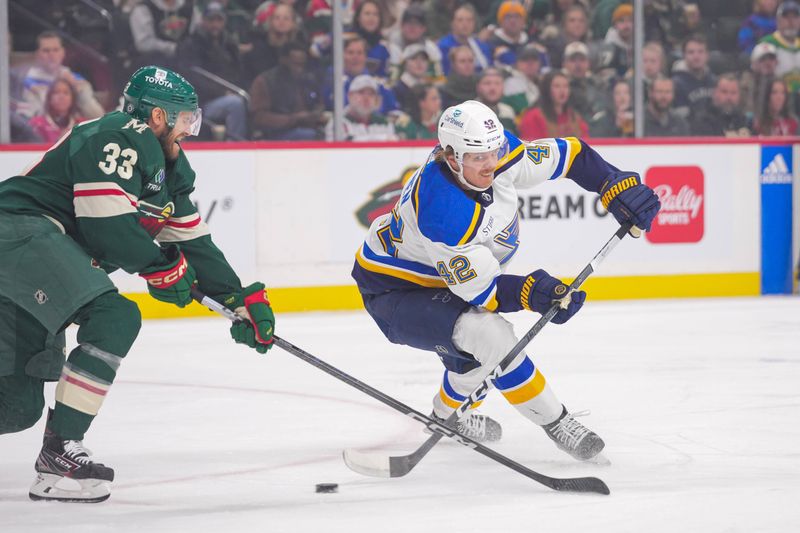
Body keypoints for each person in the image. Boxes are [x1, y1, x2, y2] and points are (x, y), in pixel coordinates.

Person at [0, 66, 275, 503]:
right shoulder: (118, 134)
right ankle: (59, 456)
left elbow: (193, 241)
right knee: (115, 314)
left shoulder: (168, 167)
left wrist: (238, 298)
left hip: (33, 261)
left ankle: (55, 461)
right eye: (186, 119)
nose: (191, 129)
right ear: (159, 117)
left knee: (15, 407)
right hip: (18, 237)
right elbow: (108, 226)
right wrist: (161, 267)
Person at [351, 99, 659, 459]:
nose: (491, 164)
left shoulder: (498, 151)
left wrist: (611, 181)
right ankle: (556, 422)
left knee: (473, 360)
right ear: (451, 157)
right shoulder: (443, 213)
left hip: (443, 278)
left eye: (493, 151)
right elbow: (488, 293)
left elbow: (571, 155)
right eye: (478, 157)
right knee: (489, 336)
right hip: (394, 291)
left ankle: (445, 415)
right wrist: (534, 292)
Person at [176, 2, 248, 140]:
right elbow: (193, 77)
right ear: (203, 21)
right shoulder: (191, 45)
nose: (215, 24)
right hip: (201, 103)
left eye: (219, 20)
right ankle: (236, 145)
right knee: (235, 104)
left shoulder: (229, 44)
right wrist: (221, 92)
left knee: (242, 101)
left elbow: (238, 72)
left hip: (228, 94)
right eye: (211, 20)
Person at [21, 31, 104, 120]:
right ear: (37, 55)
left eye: (56, 50)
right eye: (46, 51)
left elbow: (98, 116)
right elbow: (35, 118)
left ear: (63, 53)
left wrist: (76, 89)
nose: (51, 55)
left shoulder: (74, 78)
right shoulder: (28, 81)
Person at [325, 74, 398, 141]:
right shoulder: (338, 123)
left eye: (371, 94)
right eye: (361, 92)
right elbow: (342, 147)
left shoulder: (384, 123)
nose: (366, 98)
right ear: (350, 96)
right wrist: (382, 138)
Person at [519, 70, 589, 139]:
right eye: (557, 86)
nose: (562, 90)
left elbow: (586, 142)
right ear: (546, 89)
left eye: (566, 86)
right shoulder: (533, 117)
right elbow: (532, 147)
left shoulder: (574, 116)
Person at [27, 78, 84, 144]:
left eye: (66, 93)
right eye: (56, 92)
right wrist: (58, 142)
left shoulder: (82, 125)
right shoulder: (37, 124)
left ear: (73, 99)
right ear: (49, 98)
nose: (61, 96)